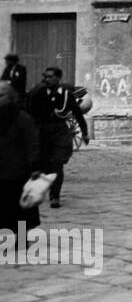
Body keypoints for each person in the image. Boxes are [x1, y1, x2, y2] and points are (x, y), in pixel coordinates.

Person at [26, 67, 88, 209]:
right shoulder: (38, 93)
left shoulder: (66, 95)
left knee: (57, 164)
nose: (46, 79)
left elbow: (77, 113)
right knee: (40, 165)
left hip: (59, 133)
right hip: (41, 132)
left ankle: (55, 196)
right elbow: (28, 112)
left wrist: (84, 132)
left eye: (50, 77)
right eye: (45, 76)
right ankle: (36, 191)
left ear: (58, 79)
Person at [0, 80, 41, 235]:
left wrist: (34, 165)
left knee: (21, 207)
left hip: (18, 171)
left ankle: (21, 238)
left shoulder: (21, 117)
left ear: (10, 97)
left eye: (1, 95)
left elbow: (32, 142)